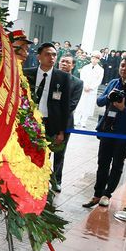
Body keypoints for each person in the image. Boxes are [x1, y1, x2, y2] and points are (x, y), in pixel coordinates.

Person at [82, 55, 126, 208]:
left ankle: (107, 194)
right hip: (107, 130)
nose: (123, 69)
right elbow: (99, 101)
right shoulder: (113, 83)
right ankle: (97, 194)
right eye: (122, 65)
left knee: (117, 164)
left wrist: (123, 108)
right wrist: (110, 98)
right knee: (102, 163)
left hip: (123, 133)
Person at [23, 42, 71, 192]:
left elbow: (65, 106)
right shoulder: (26, 73)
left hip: (50, 122)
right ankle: (26, 181)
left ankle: (42, 184)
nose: (51, 57)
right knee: (27, 152)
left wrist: (61, 131)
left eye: (54, 55)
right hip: (29, 121)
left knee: (46, 155)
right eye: (47, 54)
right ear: (39, 57)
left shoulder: (62, 77)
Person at [52, 55, 83, 192]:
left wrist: (56, 116)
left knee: (59, 153)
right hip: (47, 121)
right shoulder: (51, 77)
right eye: (62, 61)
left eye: (67, 62)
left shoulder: (77, 83)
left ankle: (56, 181)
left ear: (73, 66)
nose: (64, 64)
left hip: (65, 124)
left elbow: (72, 105)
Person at [75, 51, 105, 128]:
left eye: (96, 58)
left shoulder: (101, 69)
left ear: (99, 60)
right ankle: (76, 120)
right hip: (84, 88)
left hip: (92, 90)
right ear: (91, 58)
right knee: (80, 104)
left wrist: (91, 87)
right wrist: (85, 86)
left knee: (88, 106)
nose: (94, 60)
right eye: (93, 58)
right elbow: (82, 77)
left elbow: (99, 81)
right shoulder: (85, 67)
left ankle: (83, 122)